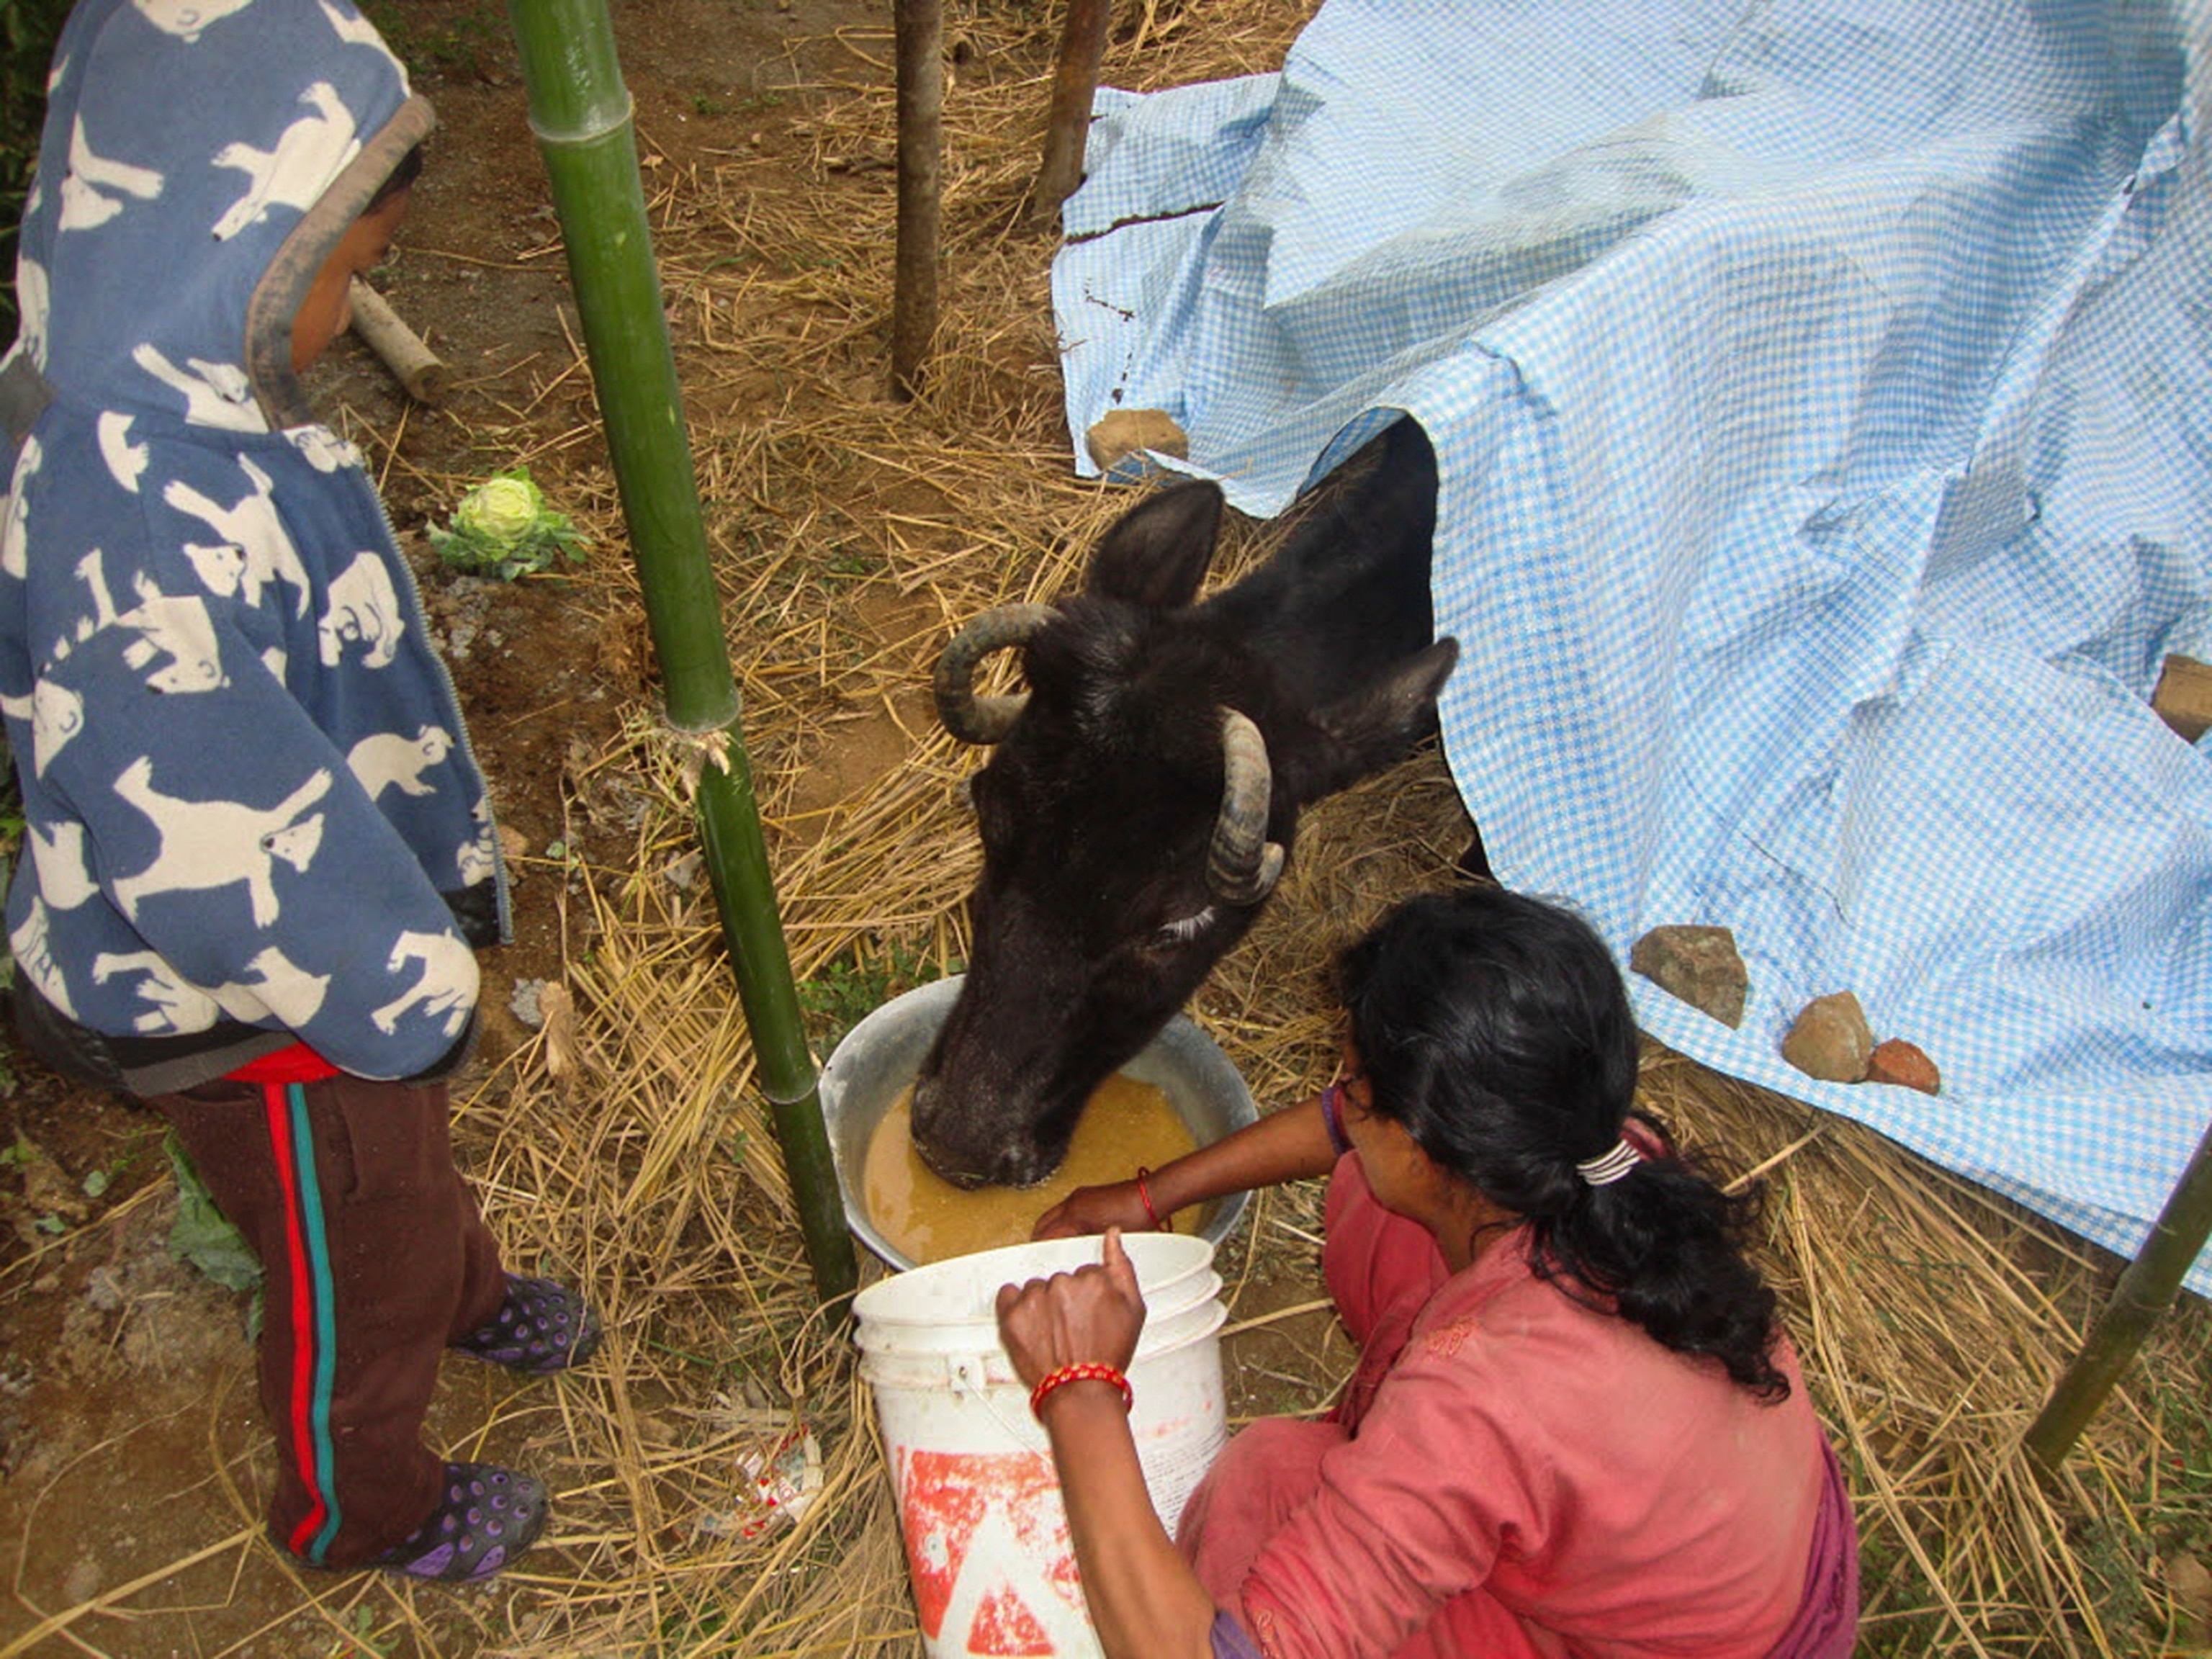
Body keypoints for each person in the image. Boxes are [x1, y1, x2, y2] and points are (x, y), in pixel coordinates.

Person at [0, 0, 595, 1583]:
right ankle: (365, 1505)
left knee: (400, 1181)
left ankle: (459, 1289)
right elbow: (203, 846)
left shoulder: (172, 392)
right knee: (353, 1260)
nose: (354, 307)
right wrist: (409, 984)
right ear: (222, 256)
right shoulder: (135, 529)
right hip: (257, 1003)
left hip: (317, 947)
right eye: (342, 278)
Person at [995, 885, 1859, 1658]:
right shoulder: (1598, 1154)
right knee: (1372, 1205)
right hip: (1722, 1558)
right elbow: (1352, 1124)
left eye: (1357, 1078)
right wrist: (1150, 1195)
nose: (1341, 1096)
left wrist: (1080, 1389)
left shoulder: (1482, 1396)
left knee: (1267, 1485)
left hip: (1662, 1641)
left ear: (1419, 1133)